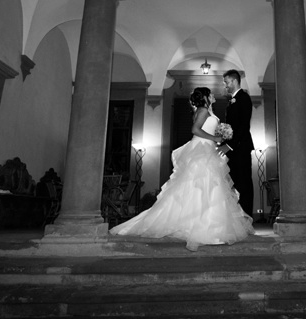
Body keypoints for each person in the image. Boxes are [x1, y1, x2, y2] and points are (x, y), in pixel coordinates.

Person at [109, 87, 253, 251]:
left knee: (211, 187)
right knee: (201, 185)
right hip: (201, 150)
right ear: (205, 97)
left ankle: (211, 227)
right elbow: (195, 130)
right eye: (210, 94)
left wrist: (221, 136)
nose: (213, 96)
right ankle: (200, 227)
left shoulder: (207, 111)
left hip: (209, 149)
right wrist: (214, 137)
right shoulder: (203, 110)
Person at [220, 69, 255, 217]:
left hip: (240, 148)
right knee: (234, 182)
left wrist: (229, 145)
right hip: (234, 149)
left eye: (226, 82)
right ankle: (237, 217)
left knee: (244, 183)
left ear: (234, 81)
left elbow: (243, 126)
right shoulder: (233, 99)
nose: (225, 86)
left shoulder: (244, 98)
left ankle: (247, 217)